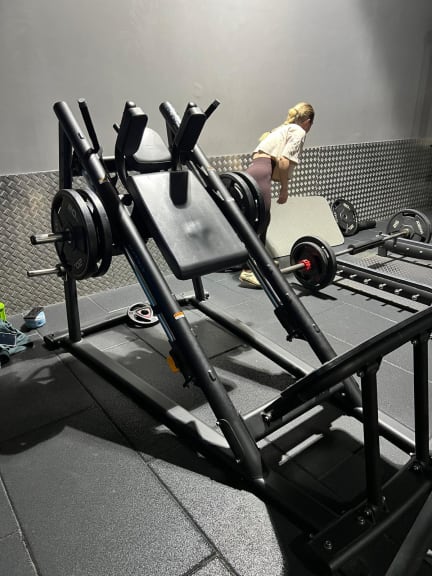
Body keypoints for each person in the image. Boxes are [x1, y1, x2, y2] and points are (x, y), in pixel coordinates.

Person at [239, 102, 315, 287]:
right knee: (260, 220)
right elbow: (283, 160)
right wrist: (284, 188)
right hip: (262, 172)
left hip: (254, 170)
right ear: (308, 121)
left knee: (263, 219)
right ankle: (247, 271)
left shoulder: (281, 129)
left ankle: (261, 261)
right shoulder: (298, 131)